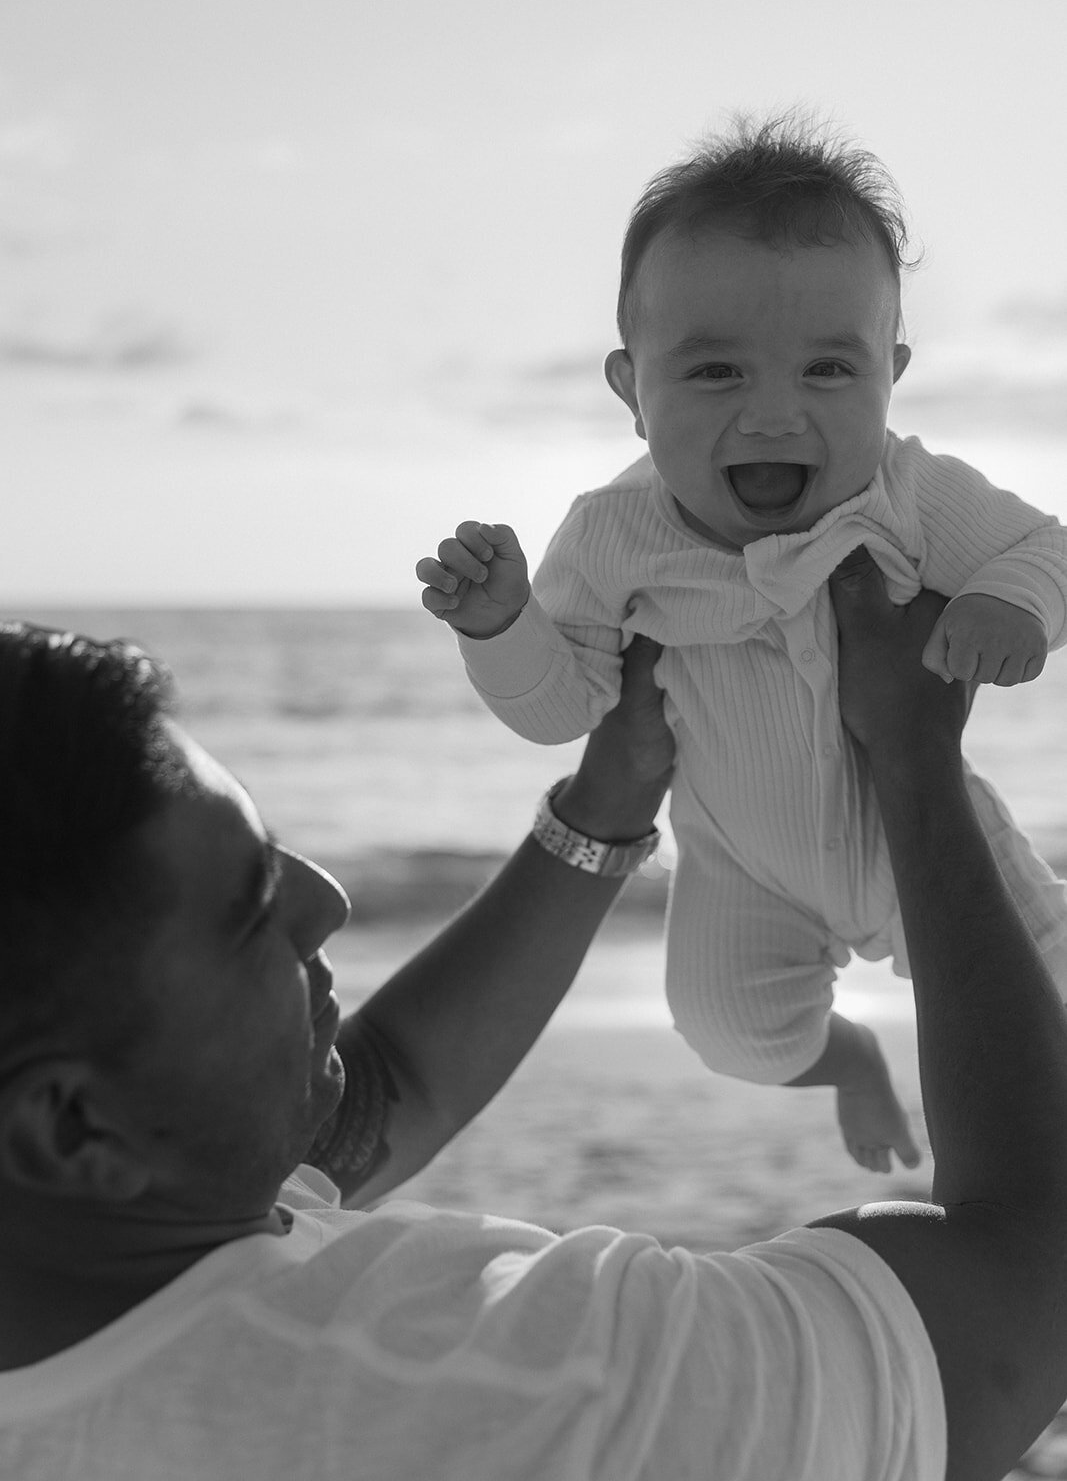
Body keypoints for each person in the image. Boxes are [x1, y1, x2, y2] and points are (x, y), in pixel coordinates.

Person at [1, 564, 1066, 1480]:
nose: (326, 900)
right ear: (68, 1126)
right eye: (248, 908)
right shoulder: (513, 1398)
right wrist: (910, 757)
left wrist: (609, 798)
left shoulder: (92, 1232)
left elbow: (377, 1095)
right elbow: (1030, 1264)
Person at [416, 114, 1067, 1175]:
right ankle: (848, 1057)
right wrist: (501, 628)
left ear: (891, 374)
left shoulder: (907, 493)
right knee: (727, 1029)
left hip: (933, 840)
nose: (773, 415)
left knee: (1048, 989)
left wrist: (1011, 604)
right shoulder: (612, 535)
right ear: (631, 391)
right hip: (742, 866)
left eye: (827, 370)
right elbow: (563, 708)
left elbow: (1044, 548)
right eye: (716, 372)